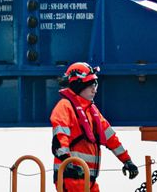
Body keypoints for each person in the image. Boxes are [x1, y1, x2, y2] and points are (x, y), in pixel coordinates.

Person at [50, 62, 140, 192]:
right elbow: (60, 138)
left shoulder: (92, 110)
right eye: (90, 85)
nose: (95, 89)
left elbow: (110, 138)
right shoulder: (65, 106)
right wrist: (68, 162)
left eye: (95, 84)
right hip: (71, 176)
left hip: (88, 178)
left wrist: (127, 161)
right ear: (78, 85)